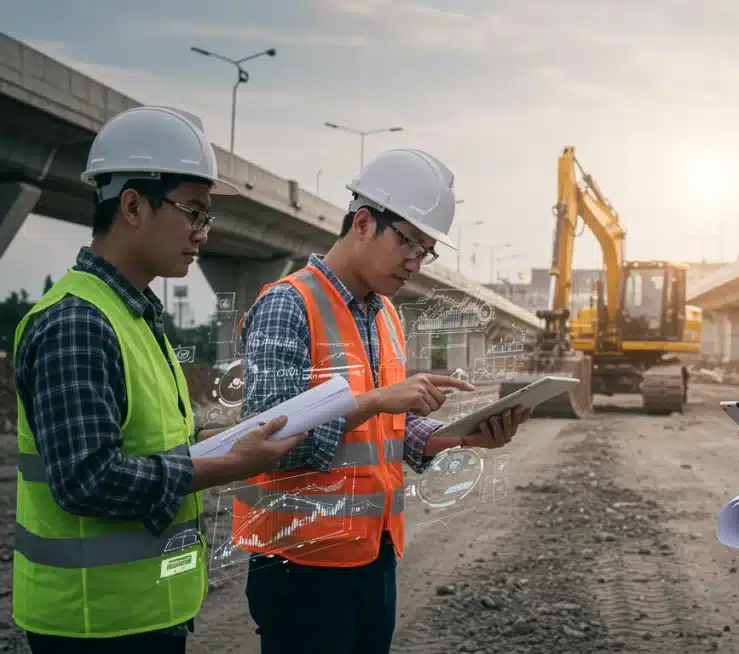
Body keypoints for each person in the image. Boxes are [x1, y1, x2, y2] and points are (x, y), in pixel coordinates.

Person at [10, 106, 305, 654]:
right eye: (193, 211)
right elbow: (87, 479)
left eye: (207, 217)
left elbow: (154, 445)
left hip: (140, 614)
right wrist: (228, 465)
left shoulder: (134, 315)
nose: (202, 231)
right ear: (131, 205)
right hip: (93, 626)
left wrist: (227, 443)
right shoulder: (77, 321)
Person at [234, 148, 533, 654]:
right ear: (365, 222)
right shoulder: (288, 305)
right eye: (410, 244)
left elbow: (383, 431)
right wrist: (374, 400)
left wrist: (458, 436)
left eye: (427, 251)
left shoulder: (385, 315)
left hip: (374, 557)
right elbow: (271, 437)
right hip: (301, 564)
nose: (416, 263)